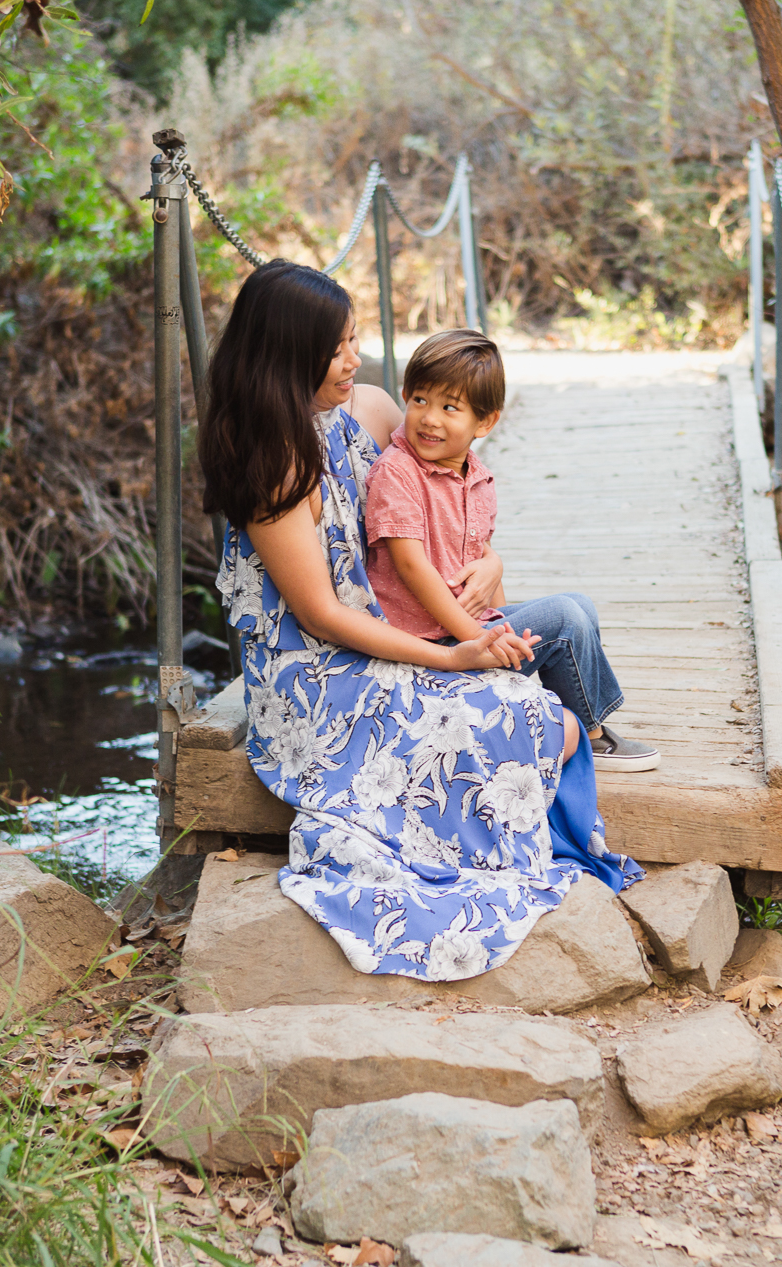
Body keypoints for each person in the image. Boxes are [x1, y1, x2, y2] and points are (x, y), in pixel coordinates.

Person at [201, 260, 644, 982]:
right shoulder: (273, 466)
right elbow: (319, 612)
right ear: (289, 356)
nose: (355, 359)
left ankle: (576, 725)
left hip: (397, 637)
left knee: (556, 676)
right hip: (322, 678)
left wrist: (492, 563)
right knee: (543, 723)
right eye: (337, 348)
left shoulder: (369, 411)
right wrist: (447, 659)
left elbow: (447, 494)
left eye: (352, 341)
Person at [362, 329, 660, 772]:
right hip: (426, 644)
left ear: (485, 423)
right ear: (405, 396)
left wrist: (501, 625)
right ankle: (593, 738)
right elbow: (410, 566)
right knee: (564, 617)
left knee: (579, 605)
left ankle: (561, 716)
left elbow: (483, 561)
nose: (430, 418)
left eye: (450, 407)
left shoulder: (476, 476)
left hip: (464, 628)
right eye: (420, 400)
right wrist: (475, 638)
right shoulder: (399, 472)